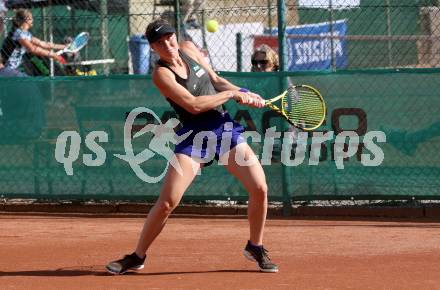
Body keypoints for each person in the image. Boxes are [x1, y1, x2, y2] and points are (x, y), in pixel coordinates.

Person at [106, 19, 279, 274]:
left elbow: (216, 80)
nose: (168, 44)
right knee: (167, 202)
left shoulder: (189, 47)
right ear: (153, 48)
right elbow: (194, 105)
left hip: (222, 129)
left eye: (169, 37)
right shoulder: (161, 74)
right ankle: (137, 256)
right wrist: (232, 95)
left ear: (175, 36)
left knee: (260, 188)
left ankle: (255, 246)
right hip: (194, 136)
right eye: (160, 42)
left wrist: (245, 92)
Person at [0, 9, 66, 75]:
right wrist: (52, 54)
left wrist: (65, 46)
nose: (33, 20)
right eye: (31, 18)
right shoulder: (18, 33)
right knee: (28, 82)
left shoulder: (26, 33)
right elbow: (33, 49)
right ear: (25, 20)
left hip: (12, 68)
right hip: (4, 68)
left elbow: (43, 44)